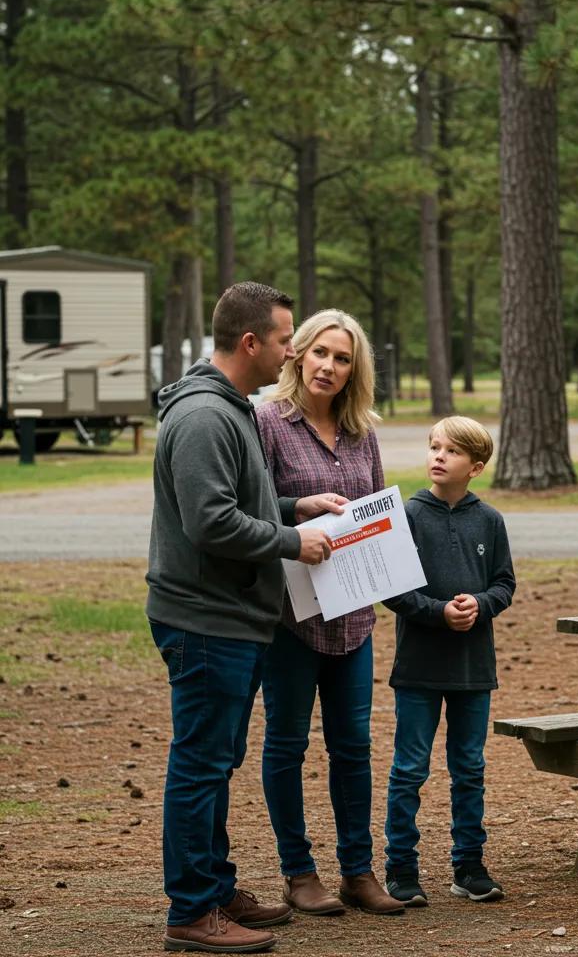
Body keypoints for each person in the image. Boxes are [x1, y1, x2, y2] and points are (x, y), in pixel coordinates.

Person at [147, 282, 345, 954]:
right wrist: (293, 541)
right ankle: (191, 913)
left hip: (230, 618)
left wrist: (295, 506)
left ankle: (214, 886)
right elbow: (209, 522)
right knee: (201, 764)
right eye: (287, 338)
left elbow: (238, 502)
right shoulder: (205, 416)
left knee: (215, 761)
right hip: (206, 619)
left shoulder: (232, 408)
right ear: (252, 342)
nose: (293, 350)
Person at [255, 308, 404, 917]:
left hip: (353, 617)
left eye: (342, 359)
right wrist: (299, 506)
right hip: (289, 618)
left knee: (353, 747)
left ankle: (358, 870)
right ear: (299, 354)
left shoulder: (362, 432)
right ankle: (298, 872)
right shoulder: (267, 421)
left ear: (354, 370)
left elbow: (376, 517)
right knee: (286, 745)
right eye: (320, 353)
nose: (329, 367)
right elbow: (253, 506)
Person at [382, 417, 516, 907]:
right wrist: (438, 613)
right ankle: (400, 868)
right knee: (410, 768)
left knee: (469, 767)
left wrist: (480, 605)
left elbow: (504, 583)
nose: (439, 456)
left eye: (452, 451)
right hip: (418, 667)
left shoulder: (491, 521)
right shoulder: (407, 515)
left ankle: (469, 864)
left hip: (473, 670)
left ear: (475, 467)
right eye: (434, 446)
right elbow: (392, 589)